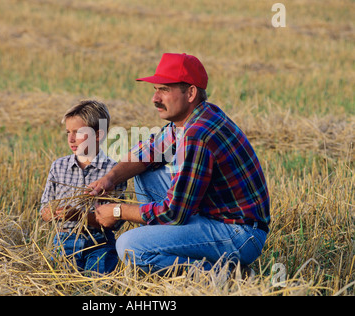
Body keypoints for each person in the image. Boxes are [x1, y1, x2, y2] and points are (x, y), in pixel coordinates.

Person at [89, 53, 270, 274]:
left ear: (191, 92)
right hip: (216, 216)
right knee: (146, 172)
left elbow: (174, 213)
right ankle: (162, 244)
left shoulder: (198, 134)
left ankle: (229, 276)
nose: (155, 99)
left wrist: (117, 211)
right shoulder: (193, 118)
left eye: (164, 90)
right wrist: (110, 178)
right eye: (155, 90)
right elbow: (148, 152)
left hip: (240, 235)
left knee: (129, 247)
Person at [40, 100, 127, 274]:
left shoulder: (113, 171)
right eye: (68, 133)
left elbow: (116, 222)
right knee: (59, 284)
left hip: (100, 243)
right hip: (64, 242)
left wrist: (80, 216)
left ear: (98, 135)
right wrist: (53, 213)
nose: (71, 139)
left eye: (78, 133)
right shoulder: (59, 167)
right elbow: (44, 210)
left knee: (96, 285)